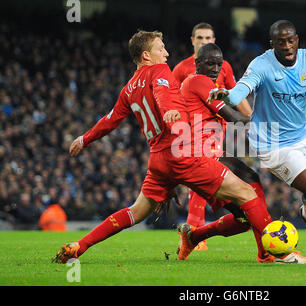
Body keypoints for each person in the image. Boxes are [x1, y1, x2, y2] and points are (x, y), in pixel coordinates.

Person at [52, 30, 272, 264]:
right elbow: (162, 94)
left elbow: (110, 119)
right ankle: (277, 254)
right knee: (248, 193)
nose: (166, 53)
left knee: (134, 212)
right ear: (146, 55)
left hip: (158, 161)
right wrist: (171, 114)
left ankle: (80, 245)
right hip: (183, 153)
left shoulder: (128, 88)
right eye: (161, 48)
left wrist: (84, 139)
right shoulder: (159, 71)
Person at [209, 20, 306, 262]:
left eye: (291, 41)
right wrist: (228, 96)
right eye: (281, 42)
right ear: (273, 44)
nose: (287, 46)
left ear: (297, 40)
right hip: (271, 142)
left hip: (304, 135)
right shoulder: (261, 64)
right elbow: (242, 88)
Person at [177, 43, 306, 264]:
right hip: (201, 157)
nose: (215, 68)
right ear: (197, 64)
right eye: (209, 63)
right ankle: (273, 252)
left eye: (218, 64)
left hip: (205, 154)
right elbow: (234, 118)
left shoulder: (199, 84)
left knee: (245, 216)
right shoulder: (199, 82)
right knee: (251, 191)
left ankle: (194, 236)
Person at [173, 23, 253, 250]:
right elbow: (170, 98)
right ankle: (195, 230)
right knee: (206, 177)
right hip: (193, 131)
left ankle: (194, 233)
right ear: (192, 40)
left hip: (221, 128)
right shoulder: (182, 69)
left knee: (211, 182)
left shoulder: (223, 66)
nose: (204, 41)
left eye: (208, 37)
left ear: (214, 39)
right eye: (200, 37)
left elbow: (236, 93)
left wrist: (250, 118)